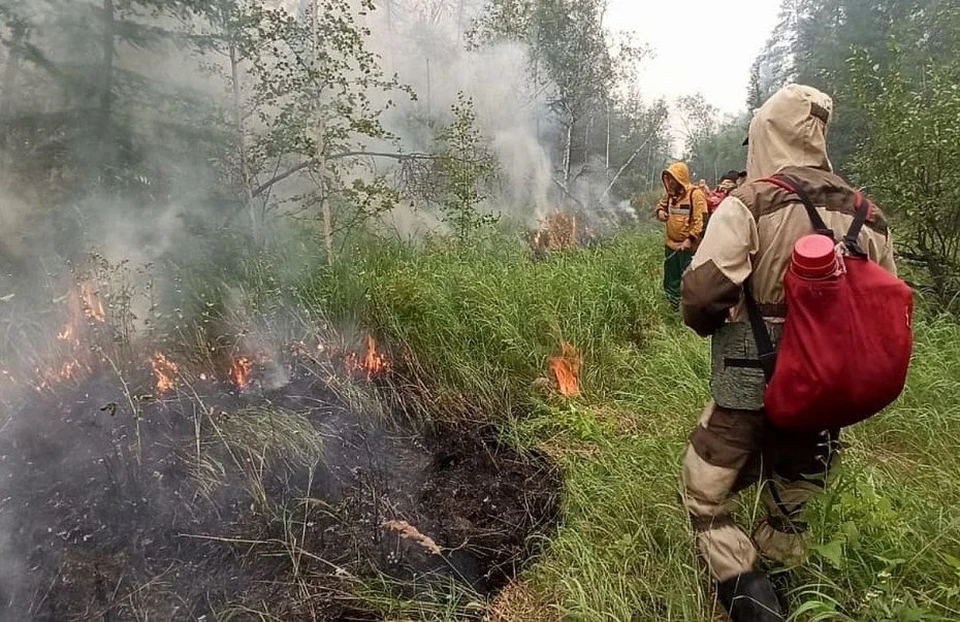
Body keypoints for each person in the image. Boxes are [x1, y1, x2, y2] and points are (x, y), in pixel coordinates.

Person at [678, 84, 897, 622]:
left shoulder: (750, 202)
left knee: (705, 491)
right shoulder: (869, 215)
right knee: (795, 493)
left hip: (749, 380)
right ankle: (785, 580)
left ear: (766, 132)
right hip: (827, 384)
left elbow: (703, 294)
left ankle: (752, 599)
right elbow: (885, 303)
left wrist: (711, 324)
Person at [655, 162, 706, 309]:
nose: (670, 182)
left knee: (689, 280)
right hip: (671, 245)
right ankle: (673, 308)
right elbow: (660, 205)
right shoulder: (670, 196)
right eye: (668, 178)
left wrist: (690, 239)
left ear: (680, 179)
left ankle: (689, 312)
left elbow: (702, 220)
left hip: (688, 248)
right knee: (671, 279)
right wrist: (660, 212)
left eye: (673, 178)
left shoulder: (695, 195)